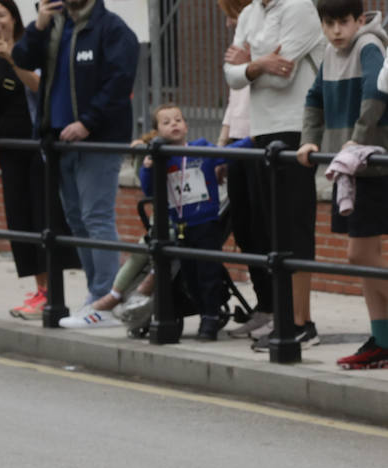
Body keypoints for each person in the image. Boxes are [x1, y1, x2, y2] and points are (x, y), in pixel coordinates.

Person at [64, 103, 240, 339]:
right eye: (166, 122)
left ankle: (209, 317)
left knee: (207, 273)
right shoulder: (161, 158)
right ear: (157, 132)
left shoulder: (201, 148)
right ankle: (194, 308)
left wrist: (255, 144)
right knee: (188, 276)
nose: (174, 124)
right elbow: (150, 190)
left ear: (186, 125)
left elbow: (227, 154)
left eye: (178, 119)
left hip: (206, 223)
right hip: (180, 225)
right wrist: (148, 167)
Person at [12, 0, 137, 314]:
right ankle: (96, 296)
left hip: (98, 140)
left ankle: (105, 300)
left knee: (97, 218)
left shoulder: (113, 29)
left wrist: (87, 123)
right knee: (77, 221)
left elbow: (119, 83)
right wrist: (37, 26)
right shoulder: (54, 26)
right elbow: (21, 58)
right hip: (57, 139)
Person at [223, 0, 323, 349]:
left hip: (295, 128)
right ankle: (283, 319)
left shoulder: (299, 7)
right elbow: (231, 77)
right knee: (272, 229)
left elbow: (285, 76)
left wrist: (250, 63)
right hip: (262, 129)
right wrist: (262, 63)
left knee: (294, 225)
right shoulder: (250, 14)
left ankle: (302, 323)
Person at [0, 0, 77, 318]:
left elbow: (42, 86)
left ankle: (52, 294)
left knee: (44, 219)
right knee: (20, 220)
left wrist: (11, 58)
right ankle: (40, 289)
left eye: (1, 15)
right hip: (8, 148)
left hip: (37, 147)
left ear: (15, 19)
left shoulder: (31, 48)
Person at [299, 0, 388, 369]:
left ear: (360, 20)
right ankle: (382, 341)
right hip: (346, 167)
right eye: (329, 23)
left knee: (359, 256)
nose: (337, 30)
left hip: (371, 164)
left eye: (344, 22)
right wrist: (309, 139)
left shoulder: (369, 46)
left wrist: (358, 137)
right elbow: (313, 97)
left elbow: (376, 93)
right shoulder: (328, 56)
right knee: (366, 261)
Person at [217, 0, 271, 339]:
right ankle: (263, 304)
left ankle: (273, 305)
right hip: (237, 140)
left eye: (232, 16)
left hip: (258, 137)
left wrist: (250, 61)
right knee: (243, 226)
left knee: (263, 227)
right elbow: (233, 99)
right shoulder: (240, 50)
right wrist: (222, 144)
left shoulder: (262, 42)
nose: (228, 24)